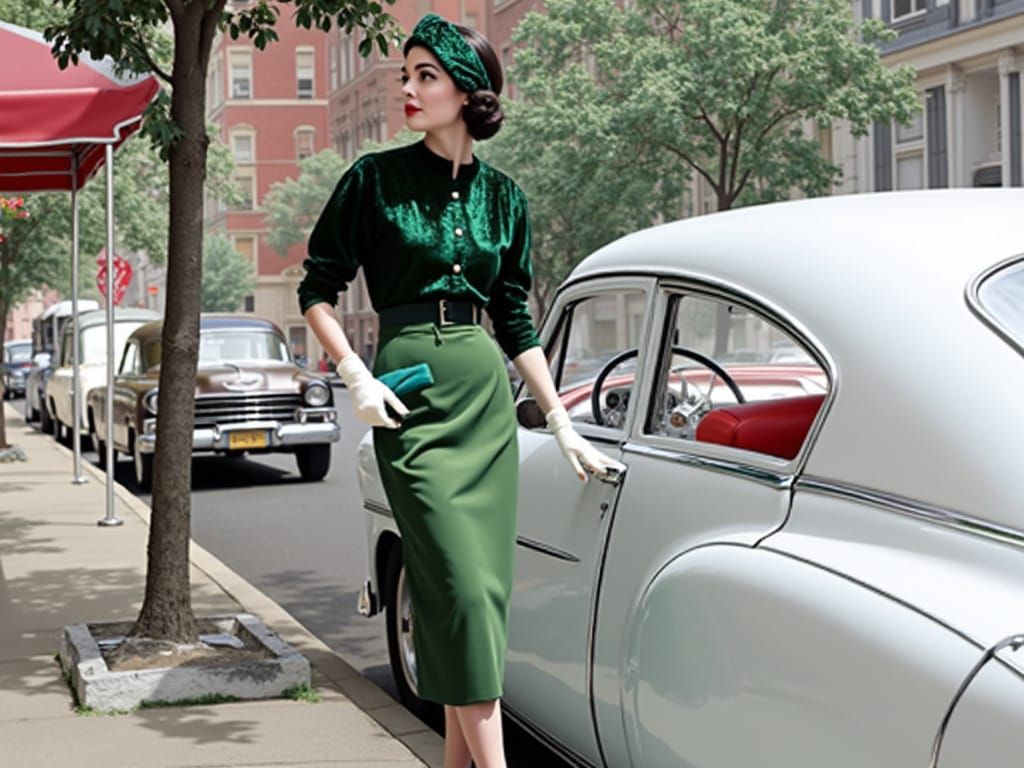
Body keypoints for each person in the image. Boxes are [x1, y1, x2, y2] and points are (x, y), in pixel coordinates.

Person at [298, 14, 625, 768]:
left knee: (476, 598)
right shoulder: (372, 180)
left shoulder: (506, 198)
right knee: (458, 594)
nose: (408, 90)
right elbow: (317, 286)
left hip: (483, 397)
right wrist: (356, 374)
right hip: (408, 395)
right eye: (405, 76)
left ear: (465, 92)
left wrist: (561, 420)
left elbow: (514, 316)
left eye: (426, 77)